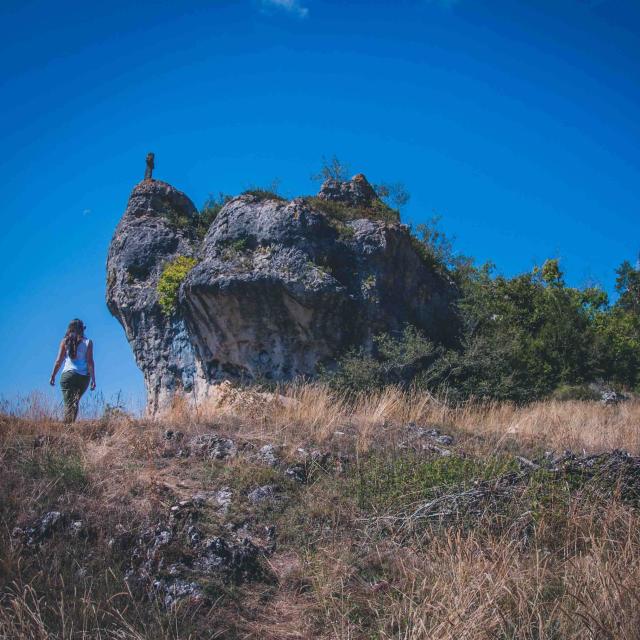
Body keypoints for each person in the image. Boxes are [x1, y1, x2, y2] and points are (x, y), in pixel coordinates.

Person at [49, 319, 96, 422]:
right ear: (82, 329)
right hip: (83, 378)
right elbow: (90, 362)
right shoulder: (88, 342)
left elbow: (58, 361)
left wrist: (53, 375)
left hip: (68, 376)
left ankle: (67, 429)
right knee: (74, 402)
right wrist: (93, 379)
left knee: (69, 403)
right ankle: (69, 428)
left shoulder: (65, 341)